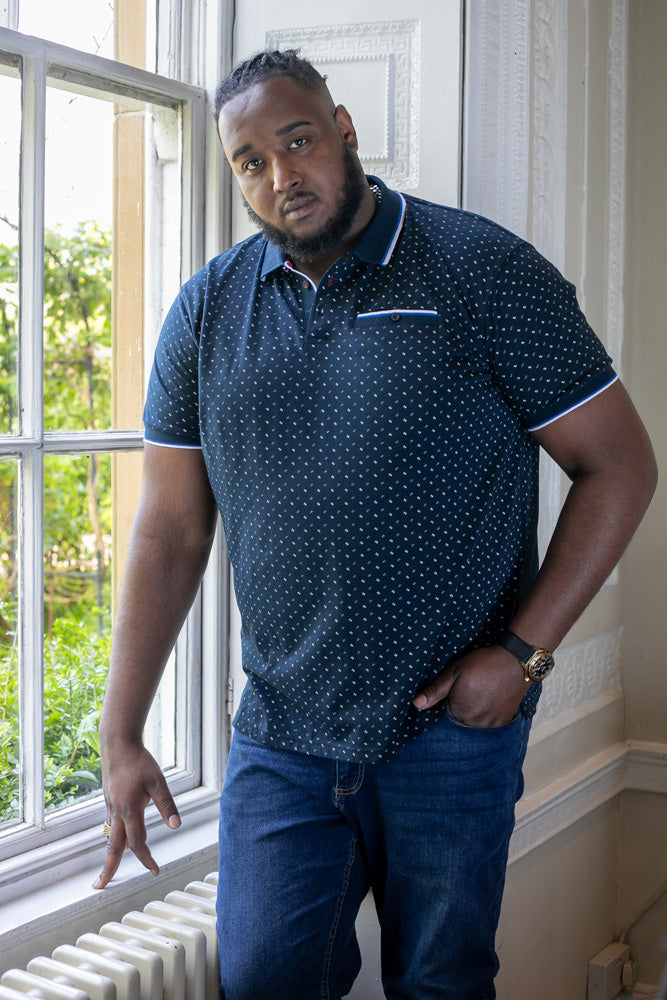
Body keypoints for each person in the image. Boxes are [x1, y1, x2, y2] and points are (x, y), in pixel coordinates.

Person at [94, 49, 657, 1000]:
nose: (281, 175)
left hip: (449, 732)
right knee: (264, 979)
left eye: (298, 141)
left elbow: (620, 466)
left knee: (441, 984)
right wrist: (122, 733)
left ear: (344, 130)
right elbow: (169, 533)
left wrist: (521, 657)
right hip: (280, 734)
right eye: (250, 161)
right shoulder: (206, 311)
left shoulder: (482, 270)